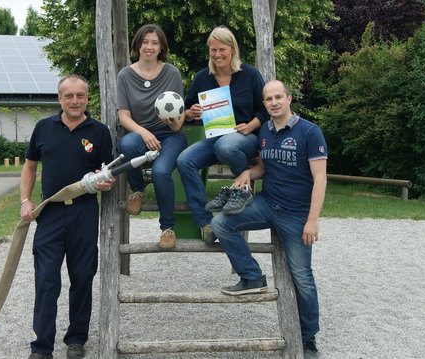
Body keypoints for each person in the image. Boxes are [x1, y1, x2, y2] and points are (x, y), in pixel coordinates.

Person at [210, 80, 327, 357]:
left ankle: (308, 337)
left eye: (278, 97)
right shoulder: (264, 130)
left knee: (302, 277)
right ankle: (252, 277)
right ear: (264, 104)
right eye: (268, 99)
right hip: (266, 203)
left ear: (289, 99)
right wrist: (249, 173)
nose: (274, 103)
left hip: (296, 214)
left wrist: (313, 219)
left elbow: (320, 178)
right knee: (220, 223)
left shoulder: (310, 132)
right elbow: (263, 166)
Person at [20, 74, 115, 359]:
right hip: (50, 214)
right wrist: (26, 200)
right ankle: (42, 347)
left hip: (84, 213)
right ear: (59, 98)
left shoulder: (99, 132)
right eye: (69, 96)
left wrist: (106, 182)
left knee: (83, 277)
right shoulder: (43, 128)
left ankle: (76, 340)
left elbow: (107, 174)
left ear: (87, 98)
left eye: (81, 96)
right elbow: (29, 167)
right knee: (47, 279)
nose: (75, 101)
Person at [176, 25, 269, 244]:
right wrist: (191, 112)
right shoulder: (202, 78)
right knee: (184, 160)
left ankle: (241, 192)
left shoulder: (250, 74)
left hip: (245, 138)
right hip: (215, 138)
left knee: (227, 146)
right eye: (213, 50)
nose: (217, 54)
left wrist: (251, 125)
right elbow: (188, 111)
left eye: (222, 49)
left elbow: (265, 109)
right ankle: (206, 222)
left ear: (232, 50)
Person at [117, 24, 187, 249]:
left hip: (170, 137)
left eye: (154, 42)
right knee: (126, 143)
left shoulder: (172, 73)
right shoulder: (125, 75)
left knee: (160, 171)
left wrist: (175, 123)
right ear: (137, 45)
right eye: (145, 42)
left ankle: (168, 228)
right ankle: (137, 189)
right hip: (140, 133)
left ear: (161, 47)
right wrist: (144, 132)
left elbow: (180, 117)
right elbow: (124, 116)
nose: (149, 46)